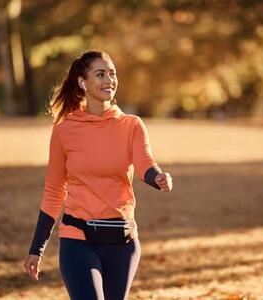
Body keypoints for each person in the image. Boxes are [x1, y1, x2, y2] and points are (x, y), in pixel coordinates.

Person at [23, 50, 173, 300]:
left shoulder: (131, 125)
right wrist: (37, 249)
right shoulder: (65, 131)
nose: (109, 80)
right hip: (78, 239)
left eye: (112, 74)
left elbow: (145, 162)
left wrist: (157, 177)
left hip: (122, 240)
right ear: (83, 82)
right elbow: (53, 191)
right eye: (100, 74)